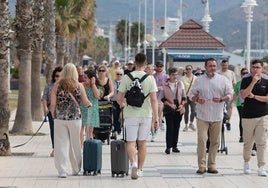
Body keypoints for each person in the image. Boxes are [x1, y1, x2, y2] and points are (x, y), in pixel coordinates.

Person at [116, 53, 158, 180]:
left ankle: (133, 163)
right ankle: (139, 169)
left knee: (131, 142)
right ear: (145, 64)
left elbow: (118, 98)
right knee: (142, 143)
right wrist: (156, 117)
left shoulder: (127, 77)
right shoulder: (150, 78)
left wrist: (124, 106)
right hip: (146, 114)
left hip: (130, 114)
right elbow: (154, 99)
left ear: (134, 63)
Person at [190, 58, 233, 174]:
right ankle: (202, 166)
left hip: (217, 115)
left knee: (215, 142)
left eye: (214, 66)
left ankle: (212, 165)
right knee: (202, 140)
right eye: (210, 66)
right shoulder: (199, 80)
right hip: (202, 116)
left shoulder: (223, 80)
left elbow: (230, 94)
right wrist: (198, 99)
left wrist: (221, 99)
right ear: (205, 67)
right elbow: (191, 95)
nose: (212, 68)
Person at [50, 63, 92, 178]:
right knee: (75, 144)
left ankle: (62, 171)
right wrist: (90, 104)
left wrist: (53, 114)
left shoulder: (57, 85)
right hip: (75, 119)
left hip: (60, 118)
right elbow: (85, 101)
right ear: (75, 73)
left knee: (60, 145)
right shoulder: (79, 85)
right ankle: (76, 168)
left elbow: (53, 103)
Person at [240, 59, 268, 177]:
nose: (255, 69)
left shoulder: (266, 81)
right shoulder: (245, 80)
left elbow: (267, 99)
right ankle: (246, 162)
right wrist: (253, 82)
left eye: (257, 67)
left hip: (263, 116)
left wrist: (255, 96)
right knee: (248, 143)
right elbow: (244, 95)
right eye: (253, 67)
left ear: (262, 69)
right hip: (247, 116)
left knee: (261, 142)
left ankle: (261, 167)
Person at [160, 67, 186, 154]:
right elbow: (162, 98)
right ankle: (168, 146)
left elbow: (184, 97)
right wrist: (170, 105)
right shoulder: (164, 84)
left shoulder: (180, 83)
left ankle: (175, 146)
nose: (175, 76)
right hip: (169, 108)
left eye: (176, 74)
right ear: (169, 75)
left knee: (176, 127)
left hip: (179, 107)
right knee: (170, 128)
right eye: (173, 74)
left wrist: (182, 105)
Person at [41, 66, 62, 157]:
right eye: (56, 76)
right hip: (51, 111)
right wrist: (45, 107)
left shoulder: (64, 86)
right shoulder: (49, 85)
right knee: (53, 130)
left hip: (62, 112)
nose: (58, 78)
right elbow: (44, 98)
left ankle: (61, 149)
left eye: (60, 76)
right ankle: (55, 148)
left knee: (61, 131)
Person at [80, 69, 100, 145]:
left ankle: (89, 146)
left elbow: (97, 96)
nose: (84, 79)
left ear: (91, 78)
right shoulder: (81, 85)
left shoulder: (96, 86)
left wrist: (93, 84)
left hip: (92, 110)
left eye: (86, 77)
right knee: (81, 129)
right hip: (82, 109)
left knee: (90, 131)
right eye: (83, 77)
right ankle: (80, 147)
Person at [218, 60, 236, 131]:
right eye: (223, 65)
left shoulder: (231, 73)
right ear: (221, 65)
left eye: (226, 65)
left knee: (230, 107)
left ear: (227, 65)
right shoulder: (218, 73)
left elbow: (234, 83)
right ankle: (221, 121)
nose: (224, 66)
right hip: (220, 94)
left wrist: (234, 93)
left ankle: (228, 121)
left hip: (229, 93)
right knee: (220, 108)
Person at [153, 60, 169, 132]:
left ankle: (157, 129)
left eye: (161, 66)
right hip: (152, 98)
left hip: (161, 99)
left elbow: (167, 87)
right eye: (158, 66)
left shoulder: (166, 76)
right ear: (155, 67)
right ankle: (154, 130)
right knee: (153, 116)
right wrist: (158, 88)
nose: (159, 68)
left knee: (159, 115)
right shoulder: (152, 76)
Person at [181, 65, 197, 132]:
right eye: (187, 69)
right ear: (185, 70)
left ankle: (191, 123)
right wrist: (183, 97)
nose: (188, 70)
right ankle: (186, 125)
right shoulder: (183, 78)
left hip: (193, 97)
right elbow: (182, 88)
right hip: (185, 97)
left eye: (190, 69)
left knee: (193, 110)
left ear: (192, 69)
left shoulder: (195, 78)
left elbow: (197, 88)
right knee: (186, 111)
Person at [111, 69, 124, 137]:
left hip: (122, 101)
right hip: (114, 100)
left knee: (121, 115)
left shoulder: (124, 82)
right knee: (115, 115)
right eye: (117, 74)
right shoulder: (112, 82)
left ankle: (120, 128)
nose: (119, 76)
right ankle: (116, 129)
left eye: (120, 74)